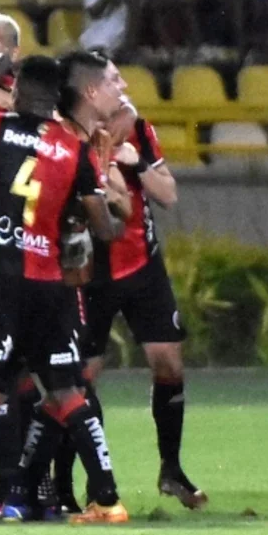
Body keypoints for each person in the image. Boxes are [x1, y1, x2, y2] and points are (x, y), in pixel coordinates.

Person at [0, 55, 128, 525]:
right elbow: (108, 230)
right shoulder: (74, 151)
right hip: (50, 286)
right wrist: (98, 186)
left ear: (17, 94)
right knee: (66, 392)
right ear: (57, 99)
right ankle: (108, 500)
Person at [53, 54, 205, 511]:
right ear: (91, 90)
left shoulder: (135, 128)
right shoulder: (66, 133)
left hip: (141, 265)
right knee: (82, 380)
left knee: (169, 363)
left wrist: (136, 164)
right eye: (115, 79)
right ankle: (64, 484)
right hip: (89, 274)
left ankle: (171, 469)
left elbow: (169, 195)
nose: (124, 86)